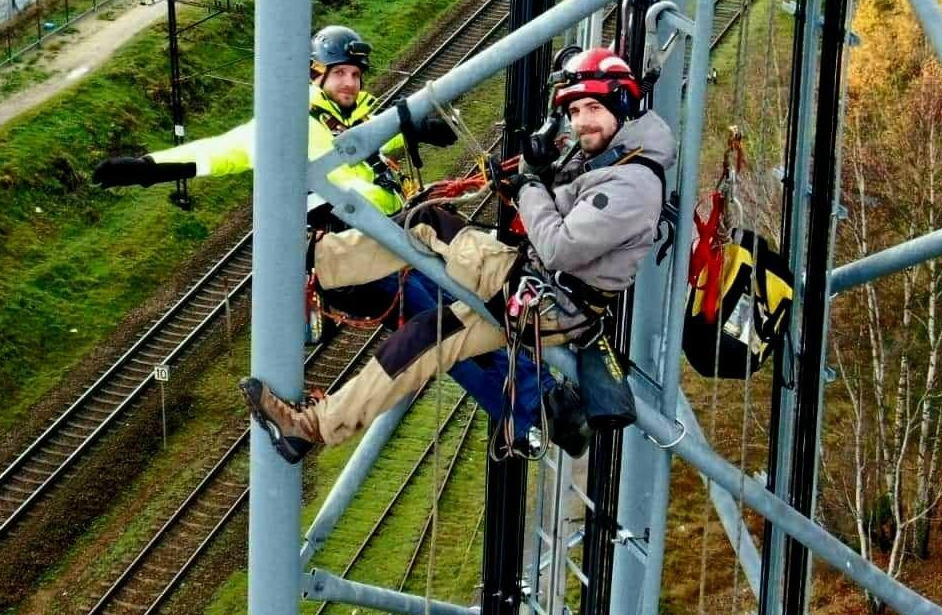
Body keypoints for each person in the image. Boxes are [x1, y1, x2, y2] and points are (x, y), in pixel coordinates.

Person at [94, 24, 547, 449]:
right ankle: (534, 405)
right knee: (442, 330)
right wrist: (148, 168)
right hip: (348, 255)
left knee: (463, 311)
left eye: (355, 73)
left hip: (387, 246)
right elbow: (221, 152)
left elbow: (384, 139)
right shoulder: (293, 126)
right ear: (319, 75)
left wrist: (423, 127)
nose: (350, 83)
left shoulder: (356, 120)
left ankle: (538, 391)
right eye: (340, 74)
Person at [241, 47, 676, 464]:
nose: (582, 124)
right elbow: (561, 215)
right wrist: (536, 180)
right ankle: (312, 426)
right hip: (540, 291)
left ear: (622, 104)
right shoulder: (616, 157)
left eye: (592, 110)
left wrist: (529, 184)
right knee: (421, 339)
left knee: (428, 224)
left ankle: (313, 265)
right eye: (576, 111)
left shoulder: (632, 185)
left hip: (545, 299)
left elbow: (559, 245)